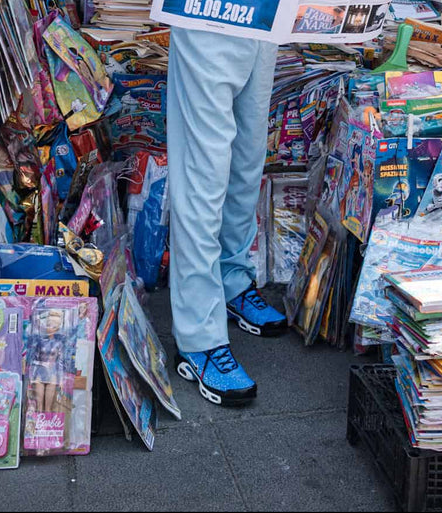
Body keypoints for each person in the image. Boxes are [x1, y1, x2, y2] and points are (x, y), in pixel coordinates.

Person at [167, 27, 287, 407]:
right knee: (203, 173)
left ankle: (232, 280)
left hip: (264, 18)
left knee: (247, 160)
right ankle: (198, 338)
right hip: (208, 16)